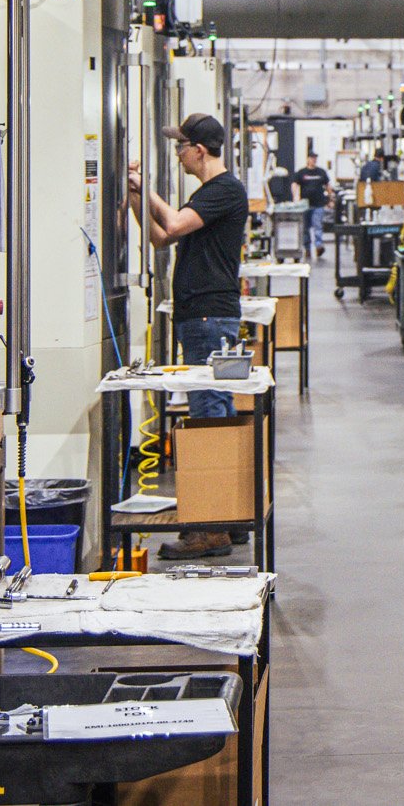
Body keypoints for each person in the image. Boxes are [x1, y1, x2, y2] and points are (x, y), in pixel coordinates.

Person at [130, 112, 249, 561]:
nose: (177, 153)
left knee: (209, 418)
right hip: (199, 319)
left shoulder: (225, 190)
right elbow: (162, 239)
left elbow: (176, 224)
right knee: (209, 413)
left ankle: (212, 528)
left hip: (209, 320)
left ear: (200, 151)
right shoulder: (206, 194)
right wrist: (136, 198)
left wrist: (149, 191)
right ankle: (224, 518)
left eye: (181, 146)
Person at [295, 151, 331, 260]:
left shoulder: (321, 172)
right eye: (312, 158)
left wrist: (330, 199)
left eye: (315, 158)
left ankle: (319, 246)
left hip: (318, 204)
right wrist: (295, 197)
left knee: (318, 226)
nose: (314, 160)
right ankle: (307, 248)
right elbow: (295, 184)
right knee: (305, 228)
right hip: (305, 205)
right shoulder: (302, 172)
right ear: (308, 159)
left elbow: (328, 185)